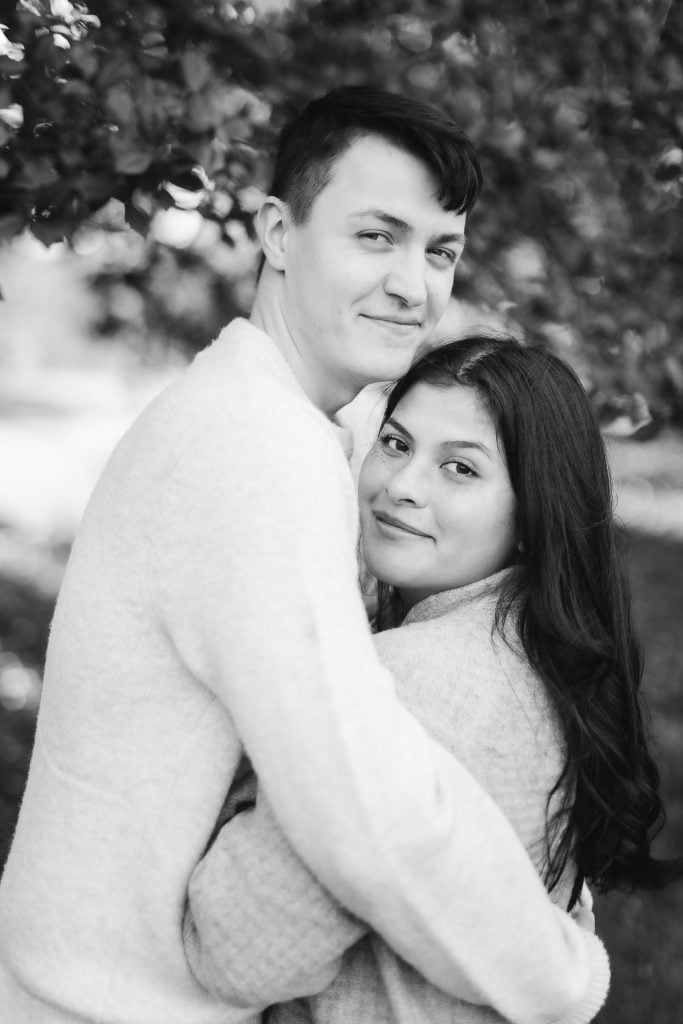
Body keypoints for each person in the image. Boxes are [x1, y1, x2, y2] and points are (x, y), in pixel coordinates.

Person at [0, 89, 608, 1024]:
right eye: (376, 236)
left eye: (438, 250)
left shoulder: (270, 422)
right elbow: (364, 809)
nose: (415, 285)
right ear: (279, 233)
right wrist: (563, 974)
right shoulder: (256, 449)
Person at [184, 335, 682, 1023]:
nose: (401, 485)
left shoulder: (411, 684)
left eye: (458, 468)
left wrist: (245, 774)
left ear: (534, 513)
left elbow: (232, 953)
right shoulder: (537, 656)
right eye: (394, 443)